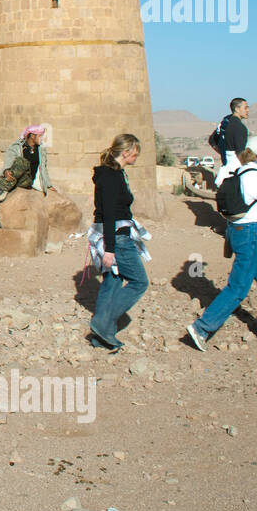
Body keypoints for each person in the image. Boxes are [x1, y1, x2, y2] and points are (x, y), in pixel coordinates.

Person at [186, 136, 257, 349]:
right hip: (250, 233)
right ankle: (201, 328)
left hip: (241, 232)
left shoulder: (239, 172)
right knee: (238, 287)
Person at [87, 133, 148, 351]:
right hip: (117, 238)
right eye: (135, 153)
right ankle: (102, 323)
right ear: (126, 152)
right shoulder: (111, 177)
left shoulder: (113, 173)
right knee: (139, 282)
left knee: (112, 282)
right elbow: (110, 213)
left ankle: (101, 337)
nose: (137, 157)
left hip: (111, 234)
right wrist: (110, 250)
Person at [0, 125, 53, 230]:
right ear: (32, 136)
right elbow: (7, 164)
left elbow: (44, 168)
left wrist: (48, 185)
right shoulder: (16, 147)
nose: (42, 138)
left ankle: (3, 187)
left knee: (22, 162)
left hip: (26, 180)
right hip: (13, 177)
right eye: (40, 136)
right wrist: (6, 171)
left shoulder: (41, 149)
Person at [213, 97, 250, 186]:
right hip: (236, 164)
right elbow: (240, 152)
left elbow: (212, 141)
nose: (248, 110)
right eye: (245, 108)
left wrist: (223, 153)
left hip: (227, 163)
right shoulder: (239, 127)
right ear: (237, 109)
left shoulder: (225, 124)